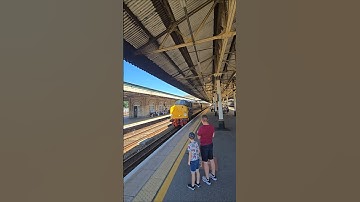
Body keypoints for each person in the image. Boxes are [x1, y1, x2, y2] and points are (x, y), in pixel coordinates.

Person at [197, 115, 217, 185]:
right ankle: (213, 175)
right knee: (211, 159)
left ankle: (207, 179)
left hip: (204, 146)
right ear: (207, 120)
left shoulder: (201, 128)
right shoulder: (211, 127)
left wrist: (198, 133)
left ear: (202, 120)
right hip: (210, 144)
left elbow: (199, 138)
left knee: (205, 162)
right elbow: (213, 136)